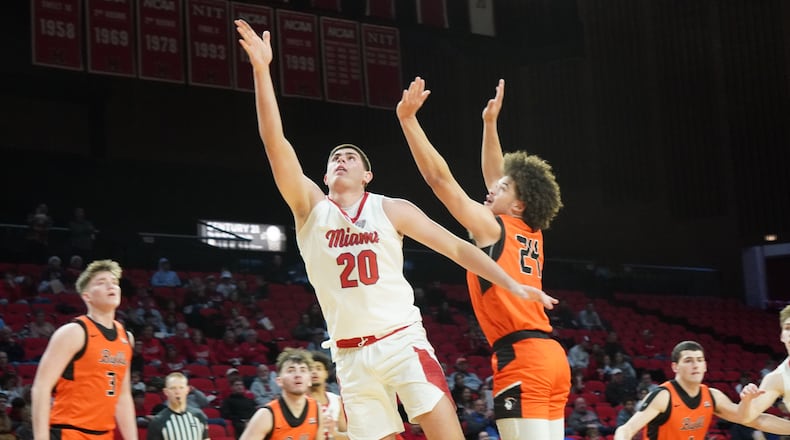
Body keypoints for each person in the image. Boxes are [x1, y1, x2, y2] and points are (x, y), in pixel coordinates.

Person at [235, 21, 556, 440]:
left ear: (368, 174)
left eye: (351, 157)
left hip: (402, 343)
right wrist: (262, 70)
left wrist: (512, 284)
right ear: (324, 174)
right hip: (350, 356)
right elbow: (274, 142)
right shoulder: (309, 208)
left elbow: (459, 250)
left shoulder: (392, 209)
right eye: (335, 158)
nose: (342, 159)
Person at [396, 77, 568, 439]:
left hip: (522, 359)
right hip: (551, 358)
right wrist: (490, 125)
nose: (493, 188)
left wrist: (409, 121)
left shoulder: (493, 228)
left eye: (503, 189)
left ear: (518, 203)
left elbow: (440, 181)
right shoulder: (530, 230)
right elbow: (497, 176)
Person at [31, 259, 137, 440]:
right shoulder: (73, 332)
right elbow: (41, 388)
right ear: (87, 296)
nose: (111, 286)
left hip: (105, 434)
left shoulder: (126, 338)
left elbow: (123, 396)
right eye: (101, 283)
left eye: (114, 282)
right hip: (69, 431)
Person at [613, 340, 790, 440]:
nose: (695, 365)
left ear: (705, 365)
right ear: (675, 367)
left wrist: (747, 402)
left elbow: (749, 419)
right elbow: (626, 430)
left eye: (699, 360)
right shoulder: (662, 396)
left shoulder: (712, 395)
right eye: (688, 360)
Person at [239, 348, 333, 440]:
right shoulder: (266, 415)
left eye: (303, 370)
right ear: (279, 381)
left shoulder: (316, 408)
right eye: (291, 370)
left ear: (309, 380)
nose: (298, 375)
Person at [146, 372, 208, 440]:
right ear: (166, 392)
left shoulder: (199, 415)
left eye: (181, 387)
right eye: (173, 388)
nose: (177, 392)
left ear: (187, 390)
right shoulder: (157, 421)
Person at [308, 351, 348, 439]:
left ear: (326, 373)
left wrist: (334, 434)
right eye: (310, 369)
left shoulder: (336, 400)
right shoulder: (300, 401)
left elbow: (345, 433)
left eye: (318, 368)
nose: (314, 372)